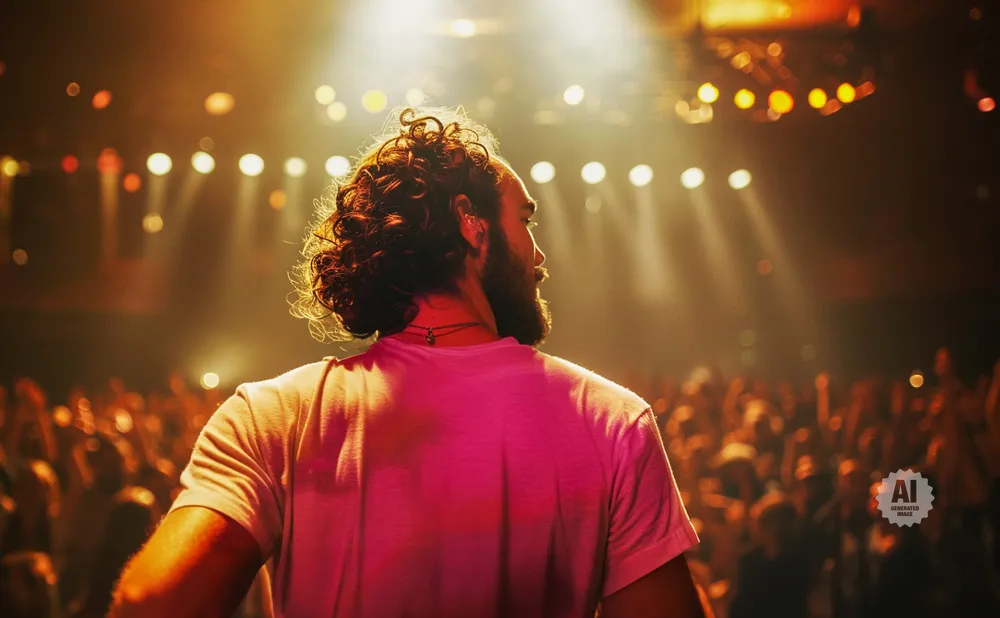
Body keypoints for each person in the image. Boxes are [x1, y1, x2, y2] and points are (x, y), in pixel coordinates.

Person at [110, 108, 703, 618]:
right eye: (524, 219)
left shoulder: (272, 418)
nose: (539, 252)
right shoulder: (611, 424)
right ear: (472, 224)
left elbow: (151, 605)